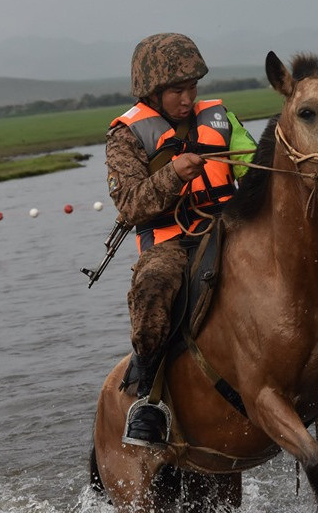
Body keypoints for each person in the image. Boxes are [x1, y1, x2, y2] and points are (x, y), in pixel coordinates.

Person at [105, 32, 256, 447]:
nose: (188, 98)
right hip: (170, 243)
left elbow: (254, 171)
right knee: (152, 289)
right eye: (177, 90)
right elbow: (131, 204)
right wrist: (173, 174)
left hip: (228, 227)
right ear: (152, 92)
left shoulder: (221, 118)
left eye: (192, 88)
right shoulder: (125, 136)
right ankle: (149, 402)